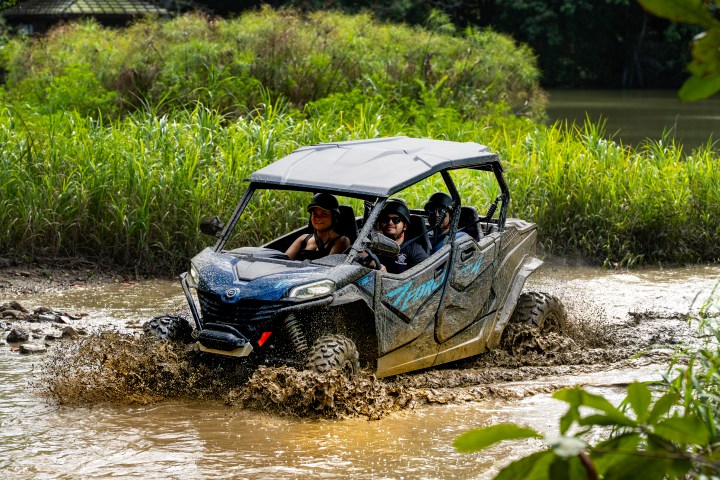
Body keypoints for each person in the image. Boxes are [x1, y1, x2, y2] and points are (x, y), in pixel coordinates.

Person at [285, 193, 351, 260]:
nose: (318, 218)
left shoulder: (342, 241)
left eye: (324, 214)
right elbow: (284, 260)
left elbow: (328, 267)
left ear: (334, 217)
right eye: (315, 214)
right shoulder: (303, 239)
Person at [376, 198, 428, 274]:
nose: (390, 222)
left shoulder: (415, 251)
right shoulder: (374, 244)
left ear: (405, 226)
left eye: (396, 220)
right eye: (386, 219)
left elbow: (423, 277)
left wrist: (387, 277)